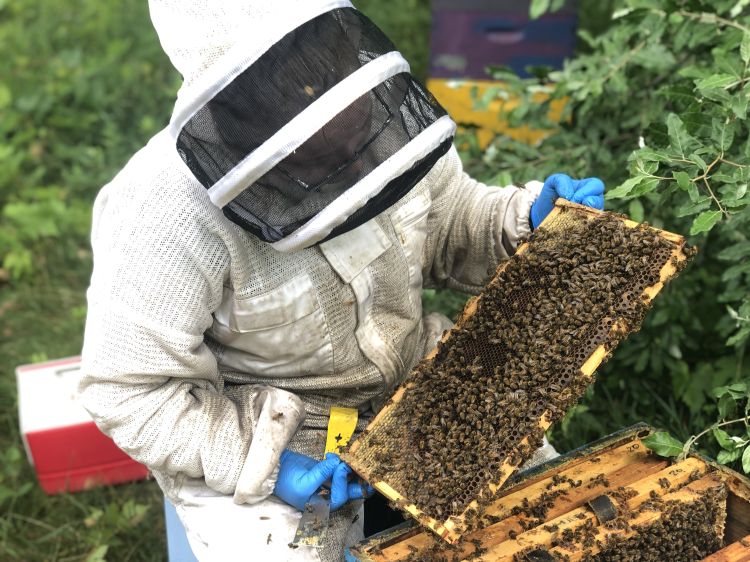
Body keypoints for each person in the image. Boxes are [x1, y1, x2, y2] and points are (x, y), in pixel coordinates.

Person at [78, 1, 605, 561]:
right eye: (316, 156)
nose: (355, 164)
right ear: (240, 121)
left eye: (356, 134)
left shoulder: (378, 112)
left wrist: (521, 222)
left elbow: (449, 220)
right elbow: (129, 389)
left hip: (420, 384)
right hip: (275, 429)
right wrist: (260, 462)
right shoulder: (163, 216)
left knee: (550, 525)